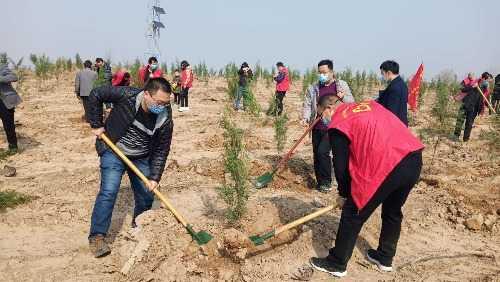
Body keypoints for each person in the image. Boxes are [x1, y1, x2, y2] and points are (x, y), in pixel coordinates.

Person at [309, 97, 424, 278]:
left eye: (320, 114)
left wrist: (345, 194)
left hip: (387, 164)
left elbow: (341, 166)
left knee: (352, 213)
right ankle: (385, 258)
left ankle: (337, 263)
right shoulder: (367, 105)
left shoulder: (339, 123)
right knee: (393, 211)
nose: (322, 119)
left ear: (329, 108)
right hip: (413, 157)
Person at [86, 77, 174, 258]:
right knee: (109, 191)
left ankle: (139, 227)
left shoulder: (165, 118)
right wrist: (96, 123)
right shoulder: (127, 95)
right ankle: (97, 236)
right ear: (147, 94)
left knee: (146, 194)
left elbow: (161, 149)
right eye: (159, 102)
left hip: (141, 156)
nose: (162, 107)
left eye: (166, 103)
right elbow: (96, 94)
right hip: (114, 149)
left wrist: (154, 177)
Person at [302, 59, 354, 193]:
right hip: (317, 125)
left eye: (324, 72)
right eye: (319, 73)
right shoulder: (313, 88)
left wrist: (342, 97)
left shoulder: (341, 85)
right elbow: (308, 104)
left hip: (334, 127)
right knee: (316, 154)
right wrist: (305, 118)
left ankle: (326, 182)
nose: (321, 75)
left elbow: (351, 103)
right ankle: (320, 182)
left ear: (332, 72)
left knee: (323, 152)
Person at [376, 60, 409, 126]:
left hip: (395, 126)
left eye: (382, 73)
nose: (382, 76)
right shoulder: (402, 84)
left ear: (388, 73)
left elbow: (391, 112)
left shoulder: (394, 88)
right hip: (401, 124)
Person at [0, 60, 22, 153]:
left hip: (5, 102)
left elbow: (14, 77)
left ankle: (13, 147)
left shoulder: (2, 68)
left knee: (8, 125)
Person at [453, 73, 482, 142]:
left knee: (469, 124)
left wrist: (479, 110)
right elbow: (462, 89)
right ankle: (456, 136)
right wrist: (472, 86)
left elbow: (480, 98)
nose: (471, 77)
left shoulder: (478, 86)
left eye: (472, 76)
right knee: (460, 120)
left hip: (472, 108)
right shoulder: (466, 82)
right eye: (470, 76)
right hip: (464, 105)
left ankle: (465, 139)